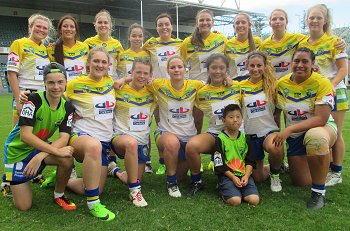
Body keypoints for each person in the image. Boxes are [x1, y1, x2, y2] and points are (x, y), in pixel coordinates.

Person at [3, 62, 76, 211]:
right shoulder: (33, 100)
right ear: (44, 83)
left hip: (37, 149)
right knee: (24, 206)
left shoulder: (67, 107)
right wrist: (52, 152)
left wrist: (40, 156)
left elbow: (63, 138)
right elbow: (25, 136)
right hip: (16, 152)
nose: (56, 87)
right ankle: (8, 179)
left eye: (60, 82)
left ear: (66, 82)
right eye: (51, 82)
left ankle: (59, 194)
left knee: (67, 158)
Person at [273, 47, 337, 209]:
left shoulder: (322, 82)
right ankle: (318, 160)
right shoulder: (282, 84)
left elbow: (321, 118)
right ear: (291, 63)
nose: (300, 65)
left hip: (321, 128)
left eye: (305, 61)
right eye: (296, 61)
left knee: (315, 138)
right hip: (295, 136)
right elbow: (277, 111)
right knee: (301, 181)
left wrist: (288, 130)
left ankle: (318, 193)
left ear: (313, 64)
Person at [2, 13, 53, 197]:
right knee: (16, 140)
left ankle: (30, 174)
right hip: (25, 95)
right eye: (37, 26)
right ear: (30, 26)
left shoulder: (46, 49)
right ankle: (7, 179)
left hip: (42, 97)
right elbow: (11, 73)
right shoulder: (19, 43)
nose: (41, 30)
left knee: (35, 138)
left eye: (44, 28)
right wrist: (18, 99)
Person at [299, 4, 348, 187]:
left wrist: (331, 85)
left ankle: (336, 171)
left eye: (319, 17)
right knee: (319, 130)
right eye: (311, 17)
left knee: (336, 133)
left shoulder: (334, 41)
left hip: (335, 91)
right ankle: (323, 167)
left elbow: (343, 68)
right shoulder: (302, 43)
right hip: (314, 94)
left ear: (325, 20)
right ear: (307, 20)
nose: (314, 21)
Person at [65, 47, 116, 220]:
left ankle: (64, 178)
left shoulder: (110, 82)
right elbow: (54, 96)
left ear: (108, 65)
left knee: (94, 186)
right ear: (88, 63)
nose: (100, 65)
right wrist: (71, 113)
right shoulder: (75, 84)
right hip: (82, 136)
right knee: (94, 146)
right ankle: (93, 204)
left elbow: (124, 81)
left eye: (103, 62)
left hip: (104, 142)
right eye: (96, 61)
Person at [148, 55, 203, 197]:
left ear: (185, 69)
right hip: (165, 133)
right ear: (168, 70)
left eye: (180, 67)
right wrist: (124, 79)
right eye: (172, 67)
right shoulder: (158, 84)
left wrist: (227, 79)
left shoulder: (196, 85)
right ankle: (171, 183)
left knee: (182, 177)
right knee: (172, 144)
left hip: (188, 136)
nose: (176, 70)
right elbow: (139, 79)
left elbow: (214, 83)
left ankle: (190, 177)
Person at [185, 53, 241, 195]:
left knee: (255, 176)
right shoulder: (201, 92)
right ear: (208, 69)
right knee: (191, 146)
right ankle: (197, 181)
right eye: (214, 68)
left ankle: (227, 178)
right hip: (214, 134)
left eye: (222, 68)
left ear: (227, 69)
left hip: (235, 136)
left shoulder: (237, 87)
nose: (218, 71)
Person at [111, 58, 156, 207]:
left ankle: (115, 171)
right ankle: (135, 192)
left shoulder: (153, 92)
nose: (142, 76)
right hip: (121, 137)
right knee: (131, 143)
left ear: (150, 76)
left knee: (133, 177)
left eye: (145, 73)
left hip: (142, 141)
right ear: (132, 72)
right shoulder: (118, 89)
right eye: (138, 72)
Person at [143, 13, 183, 175]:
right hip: (156, 91)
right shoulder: (150, 44)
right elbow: (138, 52)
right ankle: (161, 161)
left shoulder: (181, 43)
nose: (164, 27)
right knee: (159, 125)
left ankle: (180, 158)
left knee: (175, 124)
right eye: (160, 25)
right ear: (156, 27)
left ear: (172, 26)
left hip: (176, 92)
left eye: (167, 24)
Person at [239, 51, 283, 192]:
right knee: (258, 178)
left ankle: (275, 175)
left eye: (259, 65)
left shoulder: (273, 85)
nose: (256, 69)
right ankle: (273, 166)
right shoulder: (239, 86)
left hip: (268, 131)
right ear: (247, 66)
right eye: (252, 65)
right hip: (251, 135)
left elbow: (278, 109)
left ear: (265, 66)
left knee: (276, 146)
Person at [260, 8, 346, 80]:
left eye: (281, 19)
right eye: (274, 19)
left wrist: (341, 42)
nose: (277, 21)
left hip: (292, 84)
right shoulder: (264, 45)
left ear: (286, 22)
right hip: (273, 85)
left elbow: (316, 39)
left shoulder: (298, 39)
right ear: (269, 23)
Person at [181, 9, 227, 135]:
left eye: (208, 20)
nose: (204, 22)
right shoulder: (187, 42)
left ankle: (222, 148)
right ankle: (193, 150)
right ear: (197, 23)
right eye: (201, 20)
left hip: (217, 86)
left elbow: (227, 62)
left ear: (212, 22)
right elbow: (181, 64)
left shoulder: (221, 39)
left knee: (221, 120)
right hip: (197, 87)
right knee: (197, 122)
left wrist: (227, 77)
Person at [214, 104, 259, 206]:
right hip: (228, 176)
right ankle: (223, 190)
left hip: (243, 175)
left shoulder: (245, 138)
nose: (235, 120)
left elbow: (250, 160)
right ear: (224, 120)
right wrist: (233, 178)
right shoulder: (220, 139)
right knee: (235, 201)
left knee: (254, 200)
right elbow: (219, 164)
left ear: (242, 119)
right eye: (231, 117)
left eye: (238, 117)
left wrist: (246, 176)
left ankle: (240, 191)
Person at [84, 9, 124, 79]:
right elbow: (83, 63)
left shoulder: (117, 44)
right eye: (99, 22)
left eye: (105, 23)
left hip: (110, 82)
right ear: (95, 24)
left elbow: (122, 66)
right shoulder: (88, 42)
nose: (103, 25)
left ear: (110, 25)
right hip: (93, 81)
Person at [47, 15, 89, 81]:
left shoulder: (84, 47)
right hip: (62, 89)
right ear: (60, 30)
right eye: (65, 26)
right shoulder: (51, 49)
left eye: (72, 27)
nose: (69, 29)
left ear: (76, 31)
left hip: (82, 88)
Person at [225, 13, 262, 81]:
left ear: (249, 25)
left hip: (254, 81)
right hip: (235, 83)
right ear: (234, 26)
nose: (240, 25)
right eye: (237, 23)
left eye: (243, 22)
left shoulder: (257, 41)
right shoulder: (228, 44)